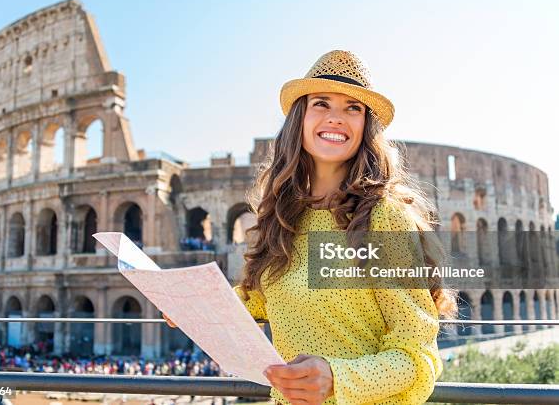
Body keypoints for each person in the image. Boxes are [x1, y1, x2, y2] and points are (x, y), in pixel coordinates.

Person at [164, 50, 458, 404]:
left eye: (353, 108)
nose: (336, 118)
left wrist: (336, 377)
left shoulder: (383, 217)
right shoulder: (284, 215)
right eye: (321, 103)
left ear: (366, 127)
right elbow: (261, 299)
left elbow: (419, 357)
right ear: (300, 118)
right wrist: (194, 306)